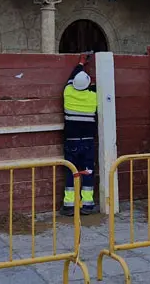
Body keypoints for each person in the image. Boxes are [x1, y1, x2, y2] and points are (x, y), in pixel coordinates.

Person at [62, 53, 98, 216]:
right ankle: (88, 204)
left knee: (71, 171)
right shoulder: (93, 97)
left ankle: (69, 205)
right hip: (88, 141)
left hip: (72, 141)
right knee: (88, 171)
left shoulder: (68, 92)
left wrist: (80, 63)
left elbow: (71, 79)